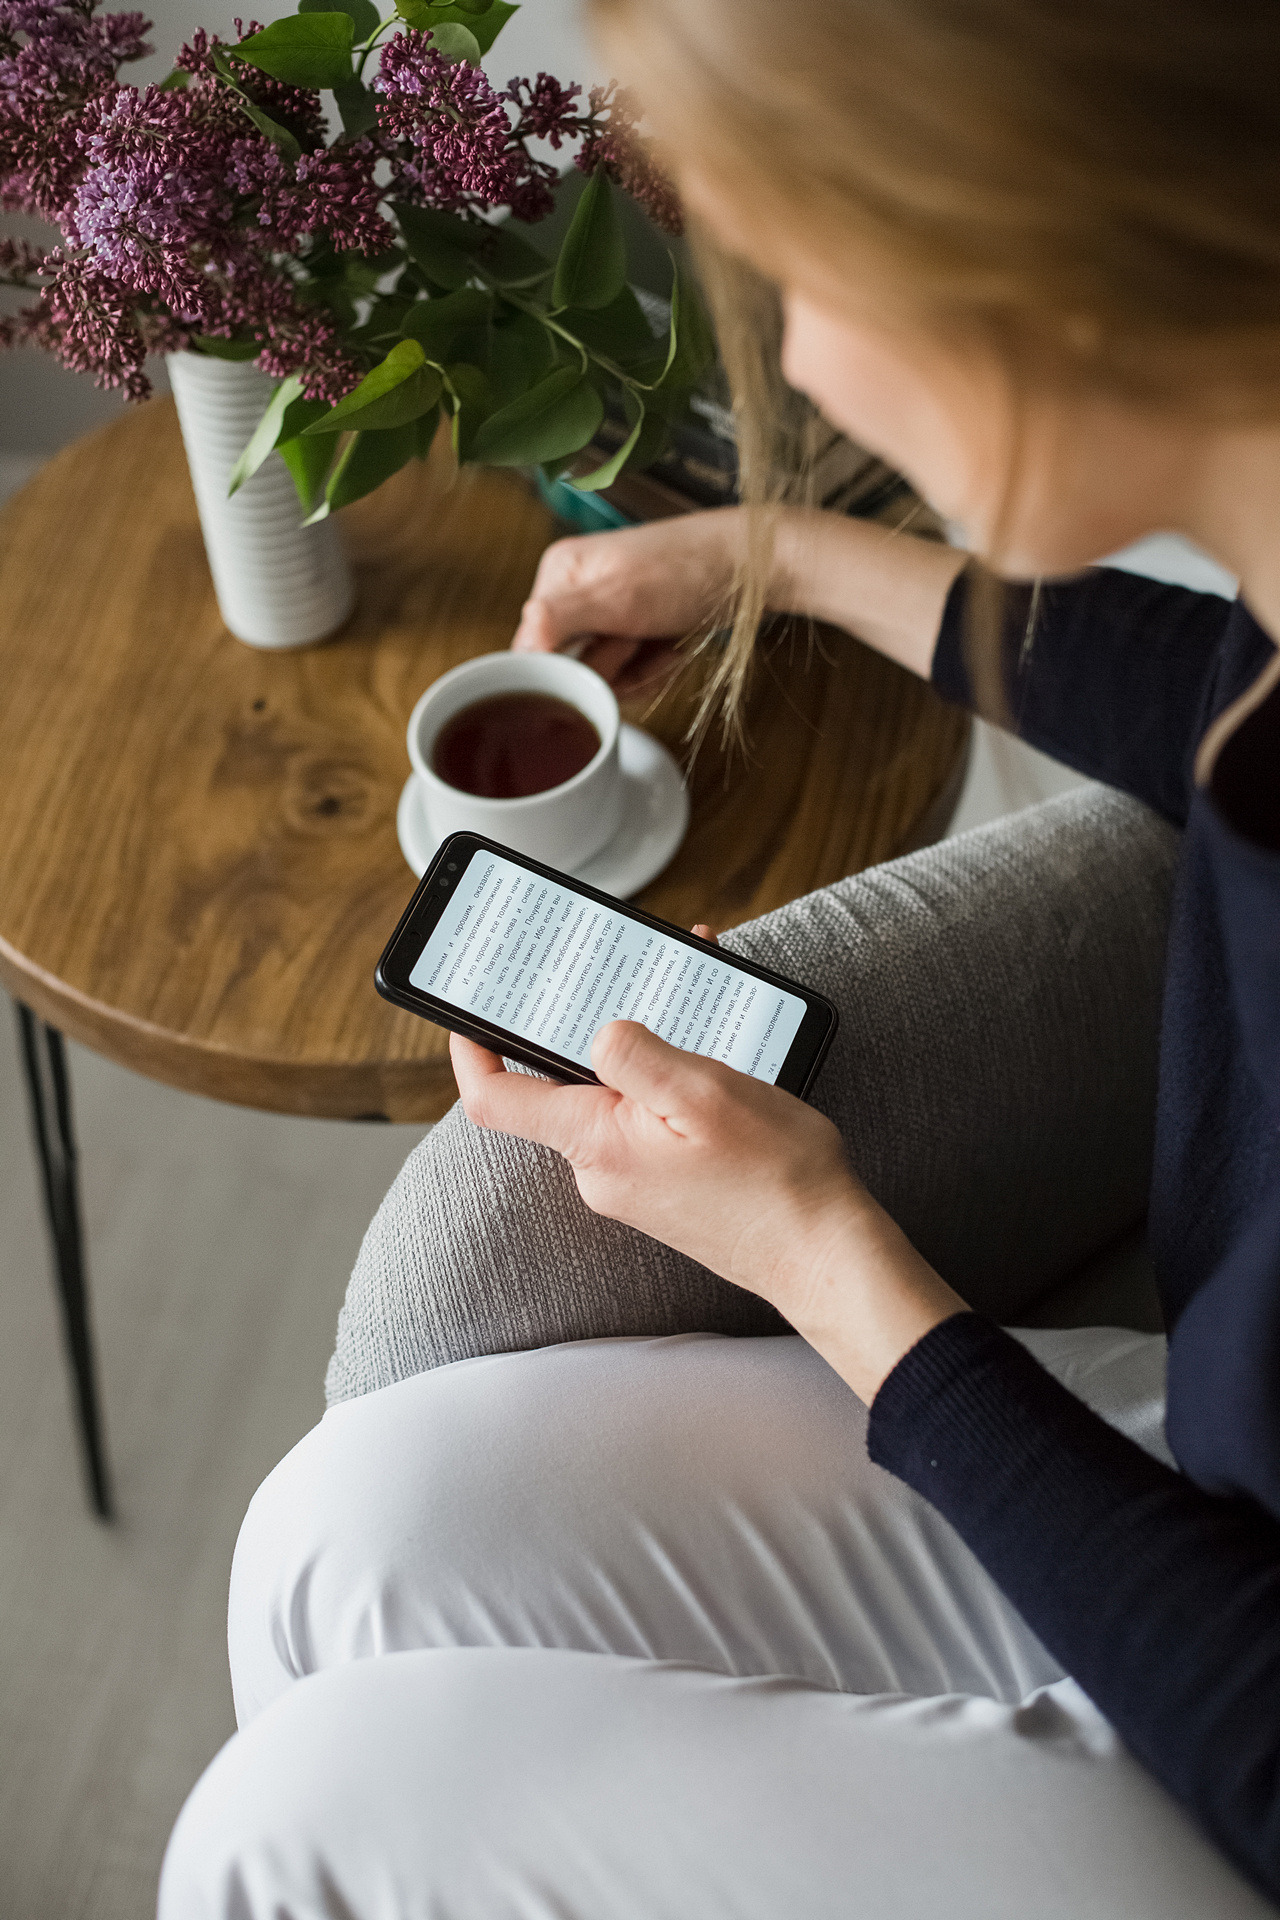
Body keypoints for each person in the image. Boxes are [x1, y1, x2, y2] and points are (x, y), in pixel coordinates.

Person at [159, 1, 1280, 1914]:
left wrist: (825, 1257)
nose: (802, 357)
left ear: (1024, 247)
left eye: (792, 262)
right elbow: (1223, 704)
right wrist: (779, 560)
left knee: (287, 1832)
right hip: (1219, 1465)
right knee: (340, 1538)